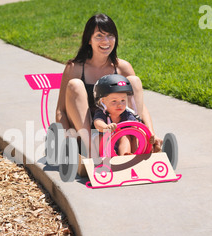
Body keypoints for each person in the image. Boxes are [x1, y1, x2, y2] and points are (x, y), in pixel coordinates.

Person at [55, 13, 162, 157]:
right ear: (89, 40)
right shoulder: (74, 68)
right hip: (88, 130)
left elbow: (139, 105)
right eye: (99, 35)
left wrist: (151, 132)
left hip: (117, 126)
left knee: (134, 80)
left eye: (110, 35)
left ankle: (139, 145)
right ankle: (91, 151)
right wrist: (68, 139)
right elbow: (61, 111)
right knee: (75, 84)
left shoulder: (122, 67)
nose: (106, 41)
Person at [92, 74, 155, 156]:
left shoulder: (127, 114)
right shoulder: (102, 113)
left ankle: (125, 155)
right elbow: (97, 123)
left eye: (123, 100)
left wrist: (146, 135)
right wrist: (105, 127)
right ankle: (106, 157)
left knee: (125, 137)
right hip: (105, 143)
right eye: (114, 101)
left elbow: (136, 126)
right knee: (99, 138)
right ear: (103, 101)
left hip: (119, 140)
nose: (120, 105)